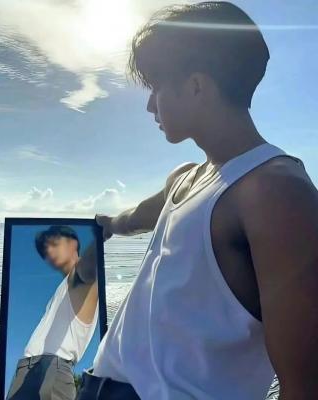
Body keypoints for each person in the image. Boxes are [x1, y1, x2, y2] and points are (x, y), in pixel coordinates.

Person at [75, 2, 318, 400]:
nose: (150, 104)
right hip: (99, 384)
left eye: (156, 87)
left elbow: (305, 383)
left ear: (196, 86)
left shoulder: (275, 193)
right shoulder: (186, 177)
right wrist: (109, 226)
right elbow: (142, 215)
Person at [7, 225, 99, 400]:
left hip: (53, 369)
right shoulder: (62, 288)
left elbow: (90, 266)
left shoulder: (81, 278)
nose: (48, 252)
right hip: (25, 370)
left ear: (73, 244)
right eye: (45, 250)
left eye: (54, 243)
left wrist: (101, 237)